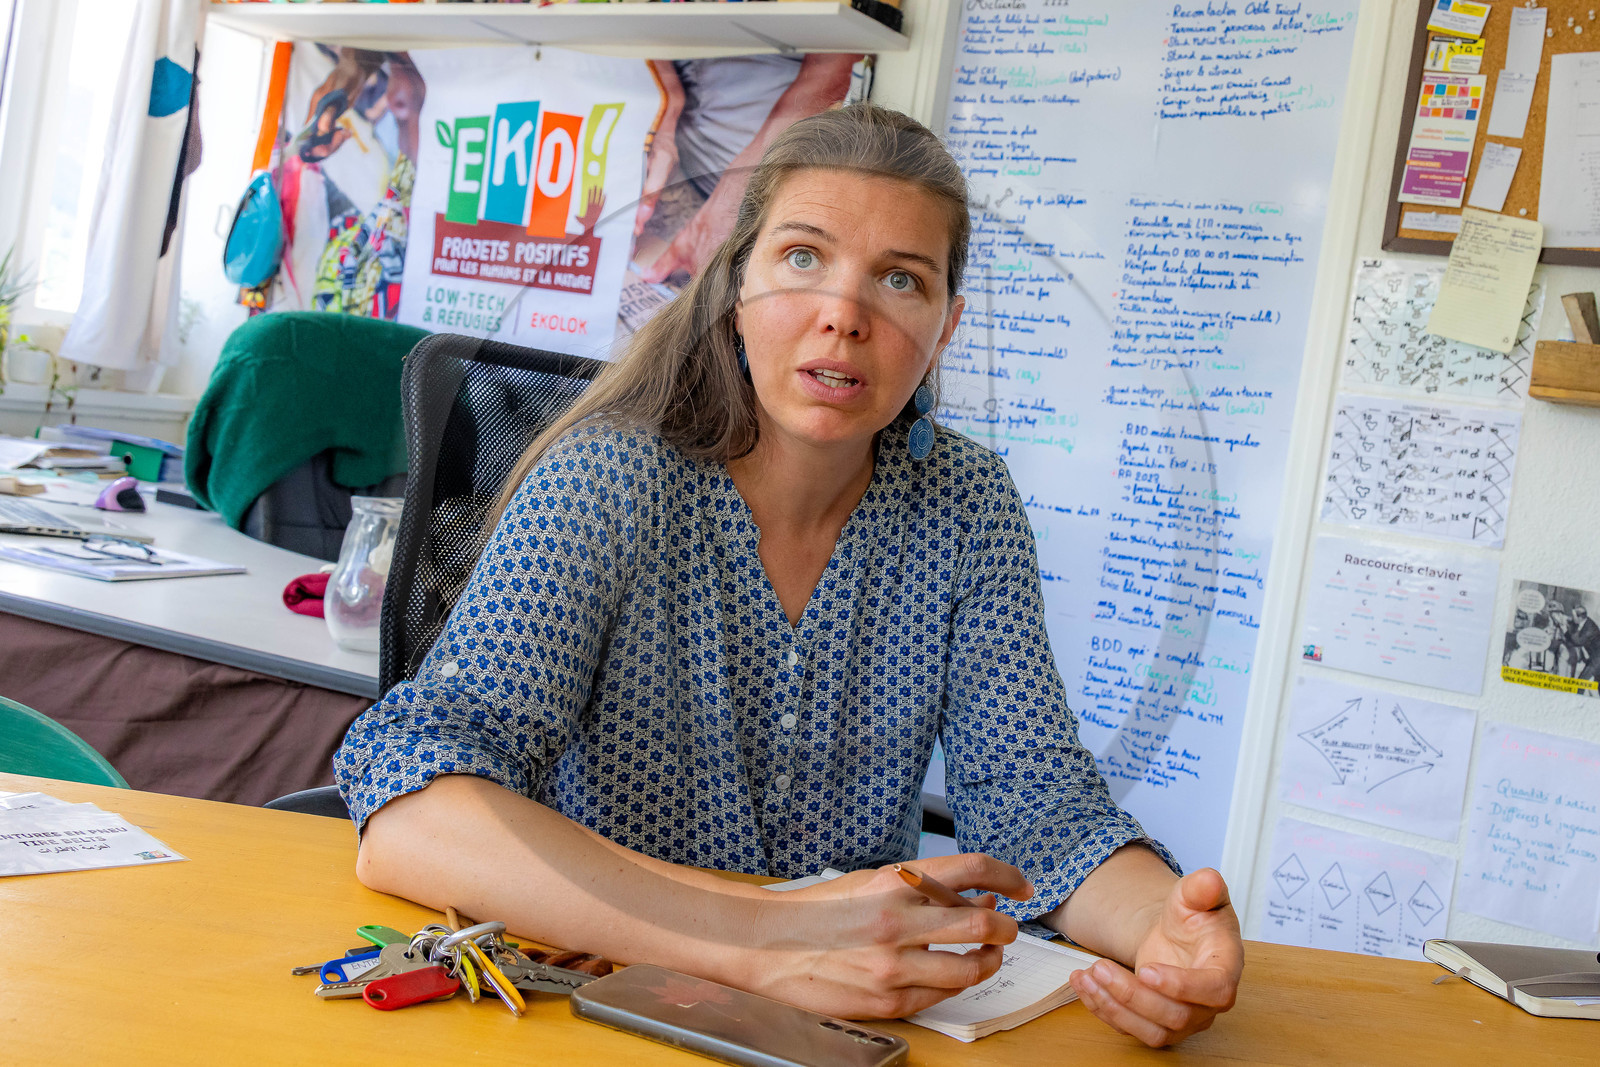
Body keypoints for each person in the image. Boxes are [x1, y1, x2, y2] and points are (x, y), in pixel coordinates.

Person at [335, 104, 1243, 1048]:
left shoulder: (967, 503)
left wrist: (1162, 929)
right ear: (737, 287)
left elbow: (1036, 804)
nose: (844, 315)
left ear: (946, 326)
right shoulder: (609, 476)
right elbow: (411, 812)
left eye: (901, 280)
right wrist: (758, 944)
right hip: (596, 1015)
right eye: (803, 258)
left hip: (842, 1034)